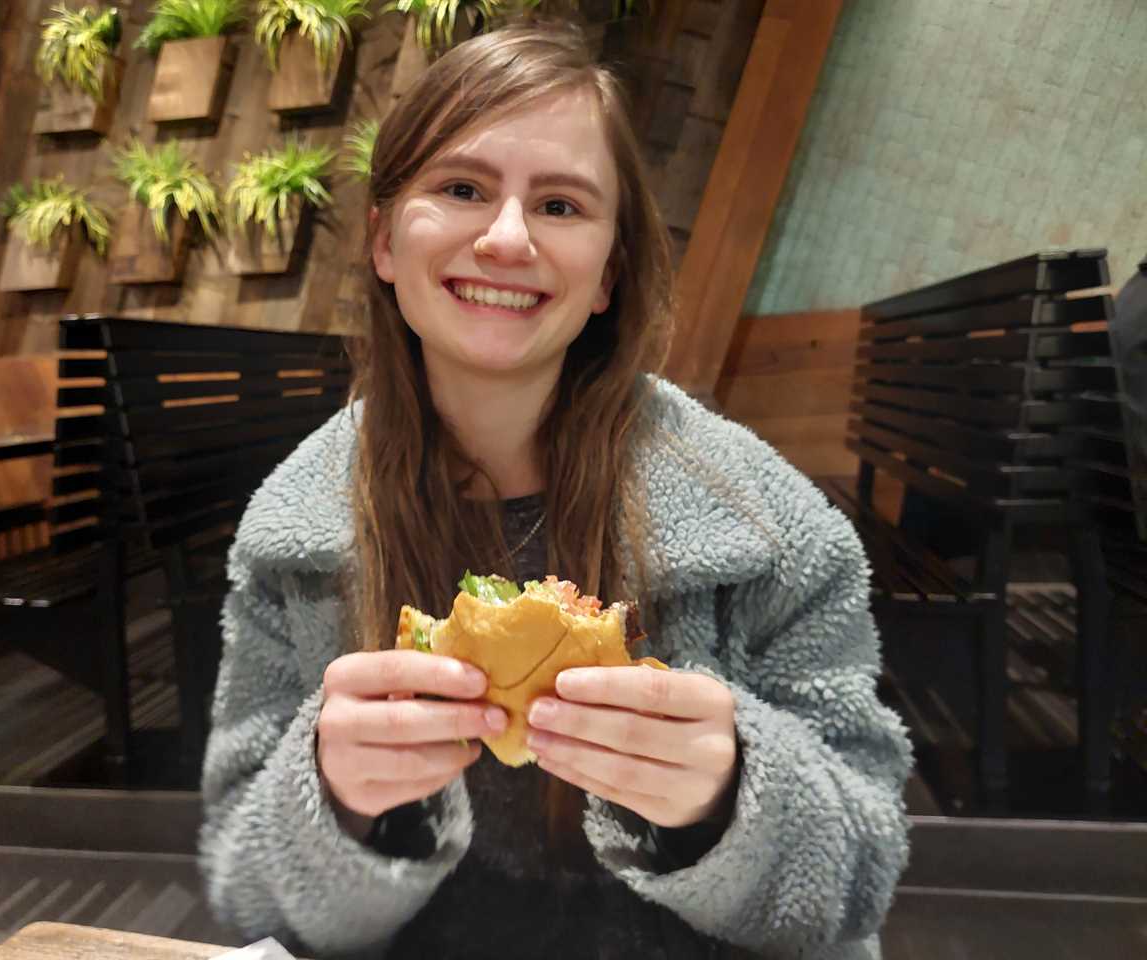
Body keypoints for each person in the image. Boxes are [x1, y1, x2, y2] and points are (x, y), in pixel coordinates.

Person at [200, 21, 912, 960]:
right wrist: (332, 796)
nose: (505, 239)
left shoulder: (770, 531)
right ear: (382, 241)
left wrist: (730, 796)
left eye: (562, 206)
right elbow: (244, 884)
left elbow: (862, 876)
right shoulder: (294, 538)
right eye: (461, 189)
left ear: (609, 273)